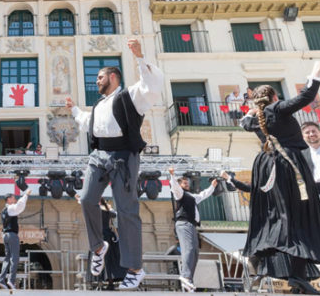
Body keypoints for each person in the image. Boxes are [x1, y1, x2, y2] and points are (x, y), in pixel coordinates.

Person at [66, 38, 163, 289]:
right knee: (87, 199)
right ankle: (98, 248)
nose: (96, 80)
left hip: (123, 155)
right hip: (99, 156)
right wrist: (74, 109)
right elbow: (87, 122)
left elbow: (152, 85)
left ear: (114, 78)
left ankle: (134, 268)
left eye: (100, 76)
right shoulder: (98, 105)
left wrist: (140, 57)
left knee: (125, 210)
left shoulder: (131, 97)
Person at [239, 62, 320, 294]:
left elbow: (244, 122)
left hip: (267, 167)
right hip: (288, 165)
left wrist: (251, 109)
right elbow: (306, 96)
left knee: (279, 217)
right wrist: (315, 75)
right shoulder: (276, 109)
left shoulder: (256, 119)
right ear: (275, 96)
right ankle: (293, 273)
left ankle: (292, 273)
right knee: (298, 217)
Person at [168, 167, 217, 291]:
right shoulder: (180, 194)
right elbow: (174, 187)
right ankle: (185, 276)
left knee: (195, 252)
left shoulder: (192, 196)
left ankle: (188, 279)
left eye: (187, 182)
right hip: (184, 224)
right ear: (180, 185)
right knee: (188, 249)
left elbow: (203, 194)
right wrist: (172, 175)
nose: (187, 183)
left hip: (191, 225)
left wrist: (212, 186)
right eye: (184, 182)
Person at [0, 189, 31, 290]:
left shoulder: (4, 210)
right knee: (14, 258)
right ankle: (11, 281)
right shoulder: (10, 208)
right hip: (12, 235)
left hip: (5, 235)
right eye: (13, 197)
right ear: (8, 199)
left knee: (7, 259)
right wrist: (26, 195)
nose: (15, 199)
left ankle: (1, 279)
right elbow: (19, 206)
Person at [98, 198, 127, 289]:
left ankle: (103, 282)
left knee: (102, 259)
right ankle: (111, 281)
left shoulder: (96, 208)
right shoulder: (108, 208)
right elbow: (114, 215)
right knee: (110, 259)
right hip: (109, 235)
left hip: (100, 235)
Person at [301, 122, 320, 188]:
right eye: (307, 132)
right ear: (303, 136)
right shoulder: (301, 155)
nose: (311, 134)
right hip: (315, 191)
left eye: (314, 131)